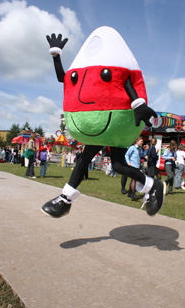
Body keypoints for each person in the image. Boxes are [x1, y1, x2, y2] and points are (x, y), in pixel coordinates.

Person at [42, 27, 165, 218]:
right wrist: (56, 55)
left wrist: (138, 105)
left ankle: (150, 185)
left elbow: (126, 83)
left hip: (115, 126)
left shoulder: (115, 67)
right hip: (97, 128)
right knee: (86, 161)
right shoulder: (84, 71)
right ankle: (66, 198)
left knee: (116, 165)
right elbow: (64, 78)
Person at [125, 136, 144, 200]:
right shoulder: (132, 148)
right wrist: (128, 162)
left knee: (134, 179)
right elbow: (127, 155)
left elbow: (141, 156)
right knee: (134, 179)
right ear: (137, 141)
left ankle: (130, 193)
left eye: (142, 141)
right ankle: (133, 194)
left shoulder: (140, 149)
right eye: (141, 141)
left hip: (137, 166)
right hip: (133, 166)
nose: (142, 142)